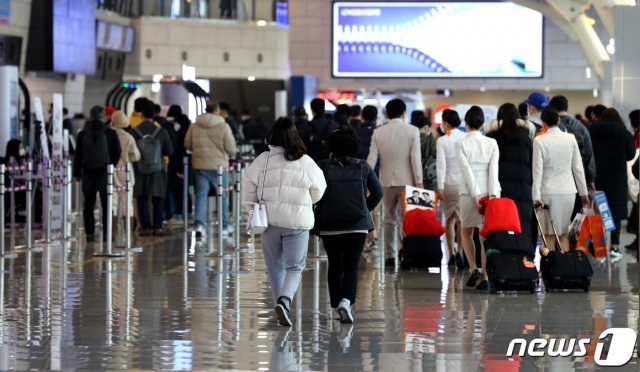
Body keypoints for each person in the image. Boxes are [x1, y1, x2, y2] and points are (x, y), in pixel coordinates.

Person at [242, 118, 326, 327]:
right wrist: (307, 202)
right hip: (297, 222)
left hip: (269, 221)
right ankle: (285, 300)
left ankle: (280, 307)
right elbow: (319, 190)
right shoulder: (306, 161)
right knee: (295, 266)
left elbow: (248, 187)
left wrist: (252, 209)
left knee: (275, 268)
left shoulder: (263, 159)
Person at [315, 127, 383, 323]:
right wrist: (364, 209)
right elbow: (378, 192)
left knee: (335, 265)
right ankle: (346, 301)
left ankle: (336, 307)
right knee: (352, 266)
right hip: (357, 225)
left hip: (330, 224)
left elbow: (316, 193)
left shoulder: (324, 166)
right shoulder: (363, 166)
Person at [367, 99, 422, 268]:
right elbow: (415, 158)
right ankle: (404, 253)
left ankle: (390, 257)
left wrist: (367, 182)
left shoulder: (378, 132)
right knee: (406, 219)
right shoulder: (412, 131)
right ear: (404, 113)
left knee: (389, 219)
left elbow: (372, 159)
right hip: (408, 181)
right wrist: (419, 181)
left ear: (387, 114)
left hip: (385, 182)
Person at [455, 106, 501, 290]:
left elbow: (466, 171)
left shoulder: (460, 143)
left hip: (468, 193)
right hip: (489, 192)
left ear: (465, 124)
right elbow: (494, 171)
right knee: (485, 237)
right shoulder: (492, 143)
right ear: (482, 124)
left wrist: (475, 195)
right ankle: (485, 276)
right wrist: (491, 196)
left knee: (465, 232)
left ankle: (473, 267)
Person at [532, 108, 589, 253]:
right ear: (558, 121)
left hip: (547, 193)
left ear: (542, 122)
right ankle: (565, 268)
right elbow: (578, 168)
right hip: (568, 192)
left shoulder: (539, 141)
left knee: (548, 235)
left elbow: (537, 171)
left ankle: (553, 269)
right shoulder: (570, 138)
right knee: (564, 233)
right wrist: (584, 193)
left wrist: (535, 197)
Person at [184, 100, 237, 239]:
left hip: (200, 165)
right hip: (219, 167)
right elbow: (231, 148)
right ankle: (224, 226)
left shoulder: (194, 125)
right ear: (217, 110)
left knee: (201, 196)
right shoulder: (223, 125)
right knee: (222, 197)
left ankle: (199, 224)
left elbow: (187, 144)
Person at [589, 108, 636, 257]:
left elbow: (587, 151)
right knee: (615, 213)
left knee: (597, 211)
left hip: (598, 177)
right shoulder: (624, 133)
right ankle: (615, 247)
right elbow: (631, 154)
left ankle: (598, 246)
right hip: (617, 178)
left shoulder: (593, 131)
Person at [73, 106, 122, 243]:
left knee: (88, 205)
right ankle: (107, 234)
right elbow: (117, 152)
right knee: (107, 205)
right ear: (104, 117)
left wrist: (77, 173)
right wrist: (110, 165)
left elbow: (77, 155)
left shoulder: (83, 133)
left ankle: (89, 234)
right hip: (104, 173)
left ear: (90, 116)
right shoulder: (110, 133)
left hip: (88, 173)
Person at [486, 103, 533, 238]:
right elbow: (532, 163)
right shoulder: (526, 138)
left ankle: (501, 257)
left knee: (500, 225)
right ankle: (523, 256)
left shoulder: (491, 138)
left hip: (499, 189)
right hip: (523, 188)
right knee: (521, 224)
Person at [548, 95, 597, 218]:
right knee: (576, 219)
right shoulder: (581, 127)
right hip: (578, 179)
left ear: (552, 109)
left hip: (555, 179)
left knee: (557, 219)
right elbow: (589, 154)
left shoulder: (550, 128)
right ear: (566, 107)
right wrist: (590, 179)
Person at [131, 100, 174, 237]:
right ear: (153, 115)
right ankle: (158, 227)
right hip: (157, 169)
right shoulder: (161, 131)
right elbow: (170, 150)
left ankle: (145, 228)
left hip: (140, 169)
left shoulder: (134, 131)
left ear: (142, 115)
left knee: (142, 197)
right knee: (158, 198)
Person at [436, 109, 466, 268]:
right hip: (463, 185)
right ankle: (461, 252)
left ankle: (451, 255)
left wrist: (439, 187)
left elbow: (441, 166)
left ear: (446, 123)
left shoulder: (442, 140)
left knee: (449, 220)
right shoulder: (465, 137)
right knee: (461, 220)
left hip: (448, 184)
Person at [109, 111, 141, 238]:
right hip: (125, 172)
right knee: (127, 202)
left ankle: (113, 231)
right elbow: (136, 156)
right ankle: (128, 232)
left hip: (111, 172)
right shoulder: (128, 137)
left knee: (113, 202)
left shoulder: (109, 135)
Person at [413, 115, 438, 191]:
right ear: (426, 127)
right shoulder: (430, 139)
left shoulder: (412, 137)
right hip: (427, 176)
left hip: (413, 175)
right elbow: (435, 154)